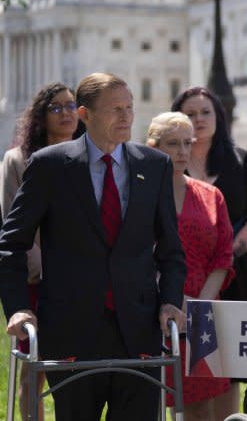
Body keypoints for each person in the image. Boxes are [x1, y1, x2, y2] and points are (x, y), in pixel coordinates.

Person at [0, 72, 186, 421]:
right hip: (72, 331)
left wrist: (171, 301)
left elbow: (171, 250)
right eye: (115, 109)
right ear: (85, 115)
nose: (126, 116)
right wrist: (17, 308)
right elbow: (11, 244)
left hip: (139, 331)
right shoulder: (50, 165)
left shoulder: (154, 165)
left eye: (129, 107)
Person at [172, 86, 247, 412]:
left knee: (228, 366)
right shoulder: (167, 165)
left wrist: (235, 244)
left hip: (232, 274)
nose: (198, 119)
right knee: (189, 369)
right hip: (185, 277)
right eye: (190, 114)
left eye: (205, 112)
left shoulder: (240, 161)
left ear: (218, 117)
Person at [146, 112, 235, 421]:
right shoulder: (138, 195)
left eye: (188, 143)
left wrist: (197, 304)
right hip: (150, 308)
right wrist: (169, 298)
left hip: (203, 311)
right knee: (147, 400)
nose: (183, 152)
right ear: (153, 146)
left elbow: (224, 255)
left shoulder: (211, 196)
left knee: (200, 406)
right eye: (173, 144)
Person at [0, 82, 81, 420]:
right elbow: (13, 221)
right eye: (56, 107)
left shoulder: (90, 156)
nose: (66, 113)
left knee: (77, 370)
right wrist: (41, 266)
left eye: (71, 105)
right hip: (38, 279)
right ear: (40, 116)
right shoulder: (18, 160)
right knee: (34, 368)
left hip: (82, 280)